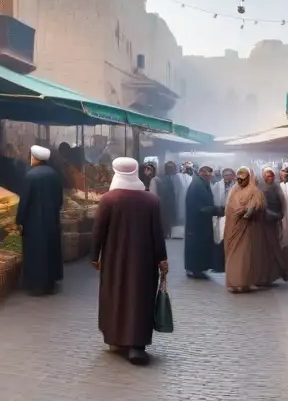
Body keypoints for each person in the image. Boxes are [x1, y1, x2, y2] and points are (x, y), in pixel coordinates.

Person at [91, 157, 169, 366]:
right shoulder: (151, 200)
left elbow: (98, 232)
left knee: (115, 295)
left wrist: (94, 256)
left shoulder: (108, 200)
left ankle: (115, 339)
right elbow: (157, 234)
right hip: (144, 262)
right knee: (139, 297)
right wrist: (162, 259)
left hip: (114, 260)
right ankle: (137, 345)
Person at [15, 145, 64, 295]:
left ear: (35, 158)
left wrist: (20, 220)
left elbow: (25, 201)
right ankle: (50, 283)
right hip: (51, 220)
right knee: (50, 250)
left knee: (35, 253)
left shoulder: (31, 176)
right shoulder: (54, 175)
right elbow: (60, 199)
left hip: (33, 222)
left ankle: (36, 285)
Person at [223, 167, 267, 293]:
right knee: (233, 255)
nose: (240, 181)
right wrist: (239, 211)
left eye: (243, 179)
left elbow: (258, 207)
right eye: (238, 179)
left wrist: (247, 211)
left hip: (248, 230)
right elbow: (229, 208)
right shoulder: (234, 190)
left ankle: (244, 282)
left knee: (245, 256)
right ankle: (233, 282)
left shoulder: (254, 191)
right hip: (233, 228)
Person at [184, 165, 223, 278]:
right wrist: (218, 210)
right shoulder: (198, 185)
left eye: (210, 173)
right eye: (205, 173)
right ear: (200, 173)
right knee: (196, 246)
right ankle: (195, 269)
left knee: (199, 245)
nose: (208, 175)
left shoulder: (202, 183)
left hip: (200, 221)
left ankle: (197, 269)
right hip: (197, 222)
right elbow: (200, 207)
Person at [260, 167, 288, 284]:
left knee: (275, 246)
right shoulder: (260, 188)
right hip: (263, 222)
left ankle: (281, 270)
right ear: (264, 177)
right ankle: (268, 276)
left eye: (272, 176)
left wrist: (279, 215)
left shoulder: (277, 188)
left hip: (274, 222)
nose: (270, 178)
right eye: (268, 176)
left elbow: (283, 203)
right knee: (266, 249)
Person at [211, 168, 236, 272]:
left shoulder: (235, 186)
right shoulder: (217, 185)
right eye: (226, 175)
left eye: (230, 175)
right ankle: (218, 265)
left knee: (229, 240)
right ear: (223, 176)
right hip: (220, 215)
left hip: (231, 215)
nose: (228, 177)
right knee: (219, 239)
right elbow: (213, 198)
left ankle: (229, 264)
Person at [148, 161, 177, 238]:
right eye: (168, 168)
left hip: (171, 205)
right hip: (162, 205)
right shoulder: (159, 179)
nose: (170, 169)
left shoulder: (178, 178)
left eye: (172, 168)